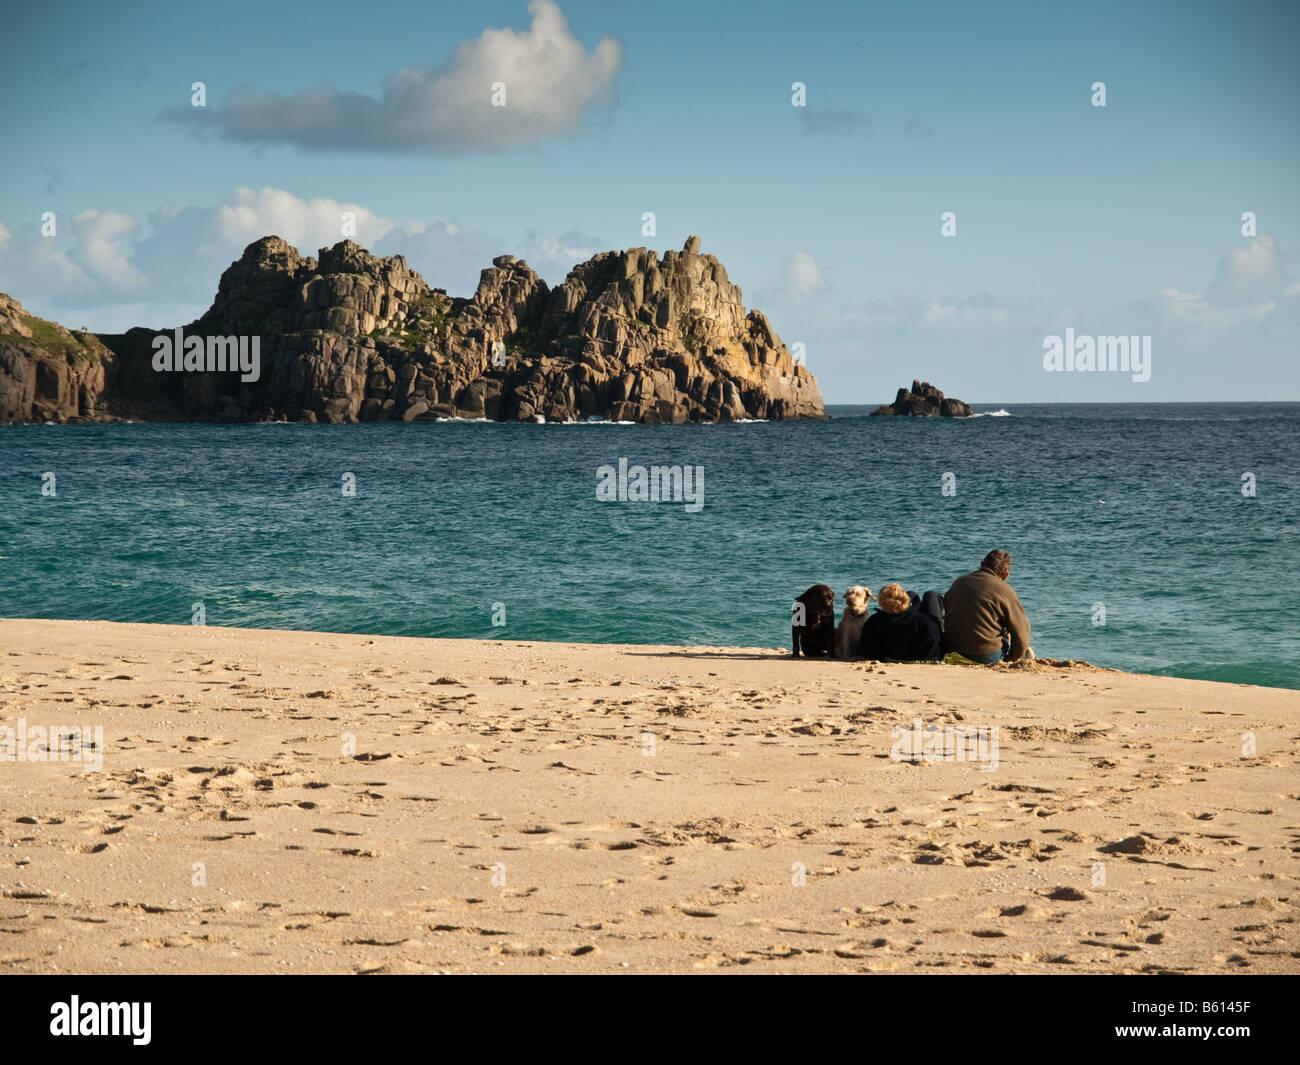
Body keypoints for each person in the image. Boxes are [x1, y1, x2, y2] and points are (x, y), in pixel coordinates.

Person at [942, 549, 1031, 663]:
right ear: (1005, 575)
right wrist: (1012, 657)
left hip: (951, 649)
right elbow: (1022, 635)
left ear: (982, 565)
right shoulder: (1005, 590)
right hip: (984, 655)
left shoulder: (958, 582)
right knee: (1006, 639)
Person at [858, 583, 943, 661]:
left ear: (881, 602)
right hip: (914, 647)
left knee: (912, 594)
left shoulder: (872, 622)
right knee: (930, 595)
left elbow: (866, 650)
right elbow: (934, 647)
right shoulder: (924, 623)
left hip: (889, 652)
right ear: (905, 599)